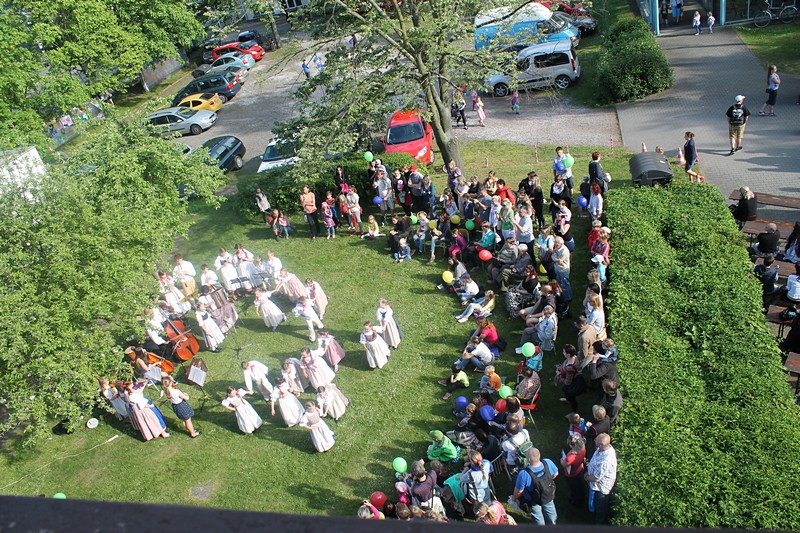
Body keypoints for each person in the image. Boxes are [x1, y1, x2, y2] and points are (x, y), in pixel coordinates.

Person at [512, 447, 559, 525]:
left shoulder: (524, 474)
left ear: (529, 459)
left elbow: (519, 491)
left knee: (537, 515)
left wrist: (514, 498)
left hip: (533, 499)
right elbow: (556, 473)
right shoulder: (548, 462)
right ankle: (552, 525)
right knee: (550, 510)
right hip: (548, 494)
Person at [586, 433, 617, 524]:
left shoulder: (605, 461)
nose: (594, 440)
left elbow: (596, 478)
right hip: (595, 482)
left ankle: (599, 525)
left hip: (601, 489)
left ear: (600, 445)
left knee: (600, 510)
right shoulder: (604, 449)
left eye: (596, 440)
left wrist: (587, 477)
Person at [555, 344, 584, 412]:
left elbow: (567, 382)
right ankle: (568, 399)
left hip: (571, 385)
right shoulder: (575, 357)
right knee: (566, 393)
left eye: (564, 352)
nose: (563, 353)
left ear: (568, 354)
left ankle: (574, 412)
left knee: (571, 398)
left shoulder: (570, 368)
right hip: (571, 377)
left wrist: (559, 375)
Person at [560, 433, 586, 506]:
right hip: (580, 469)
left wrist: (562, 459)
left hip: (572, 474)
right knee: (580, 486)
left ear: (572, 445)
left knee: (575, 489)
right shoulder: (583, 448)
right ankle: (582, 496)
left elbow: (564, 464)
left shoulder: (571, 457)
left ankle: (577, 502)